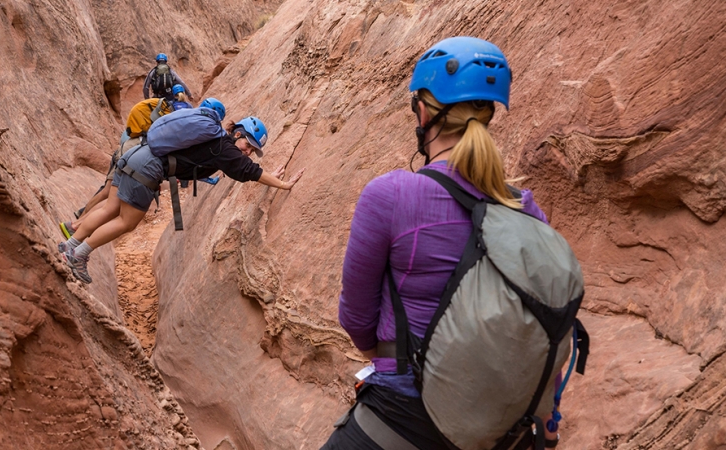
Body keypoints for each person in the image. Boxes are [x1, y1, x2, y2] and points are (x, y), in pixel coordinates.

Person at [322, 37, 561, 449]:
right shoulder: (524, 207)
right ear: (488, 114)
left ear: (422, 110)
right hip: (501, 428)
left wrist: (394, 361)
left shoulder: (390, 195)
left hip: (402, 417)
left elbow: (356, 318)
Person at [59, 109, 304, 283]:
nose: (248, 151)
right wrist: (281, 184)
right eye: (248, 145)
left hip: (138, 155)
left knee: (110, 208)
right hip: (149, 167)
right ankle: (78, 255)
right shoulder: (225, 148)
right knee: (126, 222)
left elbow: (247, 169)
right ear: (238, 134)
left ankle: (69, 245)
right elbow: (251, 171)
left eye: (252, 149)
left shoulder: (216, 139)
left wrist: (270, 175)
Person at [58, 95, 178, 238]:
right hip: (132, 150)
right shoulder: (164, 112)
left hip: (127, 147)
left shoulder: (157, 107)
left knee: (107, 194)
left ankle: (77, 224)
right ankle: (76, 225)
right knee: (110, 198)